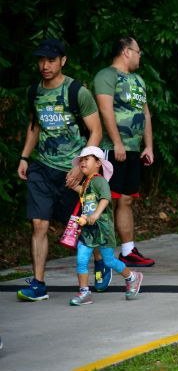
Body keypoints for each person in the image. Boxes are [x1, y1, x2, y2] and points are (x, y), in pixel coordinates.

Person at [16, 39, 102, 301]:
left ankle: (100, 261)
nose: (45, 65)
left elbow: (96, 131)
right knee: (39, 224)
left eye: (51, 60)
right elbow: (35, 126)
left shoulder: (77, 92)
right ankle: (39, 284)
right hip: (42, 168)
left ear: (63, 61)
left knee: (83, 225)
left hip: (72, 172)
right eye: (41, 60)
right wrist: (24, 157)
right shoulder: (34, 92)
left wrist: (81, 167)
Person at [93, 36, 155, 270]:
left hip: (133, 150)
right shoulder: (106, 76)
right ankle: (103, 256)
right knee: (107, 201)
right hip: (112, 149)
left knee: (127, 200)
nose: (140, 57)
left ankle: (128, 251)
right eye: (138, 52)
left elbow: (145, 114)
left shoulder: (138, 80)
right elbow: (105, 109)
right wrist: (117, 143)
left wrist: (148, 146)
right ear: (127, 52)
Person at [69, 147, 143, 305]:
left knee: (109, 261)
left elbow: (105, 197)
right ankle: (84, 292)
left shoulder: (100, 181)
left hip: (102, 230)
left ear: (98, 163)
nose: (82, 162)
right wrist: (76, 188)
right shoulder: (87, 182)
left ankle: (132, 277)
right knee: (81, 259)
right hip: (89, 230)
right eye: (81, 160)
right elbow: (86, 195)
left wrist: (96, 214)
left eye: (87, 159)